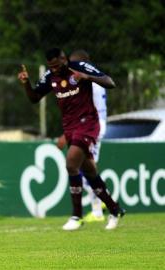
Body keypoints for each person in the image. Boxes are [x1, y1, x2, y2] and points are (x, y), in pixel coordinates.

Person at [17, 48, 125, 231]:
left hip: (88, 123)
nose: (55, 70)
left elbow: (110, 82)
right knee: (90, 172)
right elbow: (35, 97)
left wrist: (86, 77)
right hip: (70, 127)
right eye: (51, 67)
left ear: (64, 59)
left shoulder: (79, 67)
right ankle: (115, 209)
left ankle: (77, 215)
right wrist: (26, 83)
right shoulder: (50, 76)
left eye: (57, 65)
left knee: (71, 164)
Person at [56, 49, 107, 223]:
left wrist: (66, 133)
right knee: (88, 168)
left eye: (73, 63)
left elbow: (82, 108)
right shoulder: (94, 78)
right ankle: (100, 206)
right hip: (93, 124)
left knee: (85, 170)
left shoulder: (86, 81)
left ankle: (99, 209)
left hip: (91, 125)